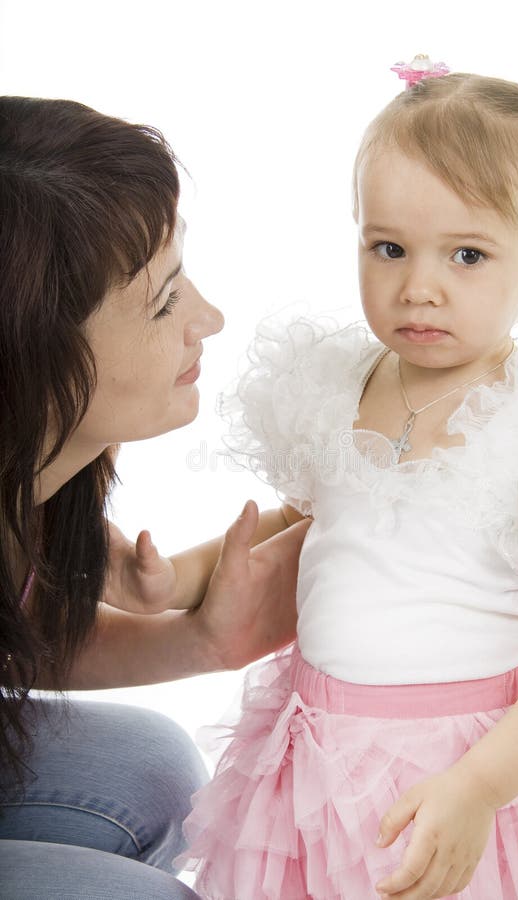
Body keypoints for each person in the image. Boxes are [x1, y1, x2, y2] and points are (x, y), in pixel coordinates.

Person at [177, 62, 518, 899]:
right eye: (389, 248)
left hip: (464, 773)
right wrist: (177, 577)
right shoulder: (339, 384)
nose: (419, 287)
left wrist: (480, 788)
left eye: (468, 254)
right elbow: (300, 526)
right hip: (313, 765)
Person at [0, 95, 310, 900]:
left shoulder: (32, 473)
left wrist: (202, 640)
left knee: (156, 767)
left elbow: (15, 631)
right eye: (165, 301)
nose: (209, 317)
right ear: (29, 351)